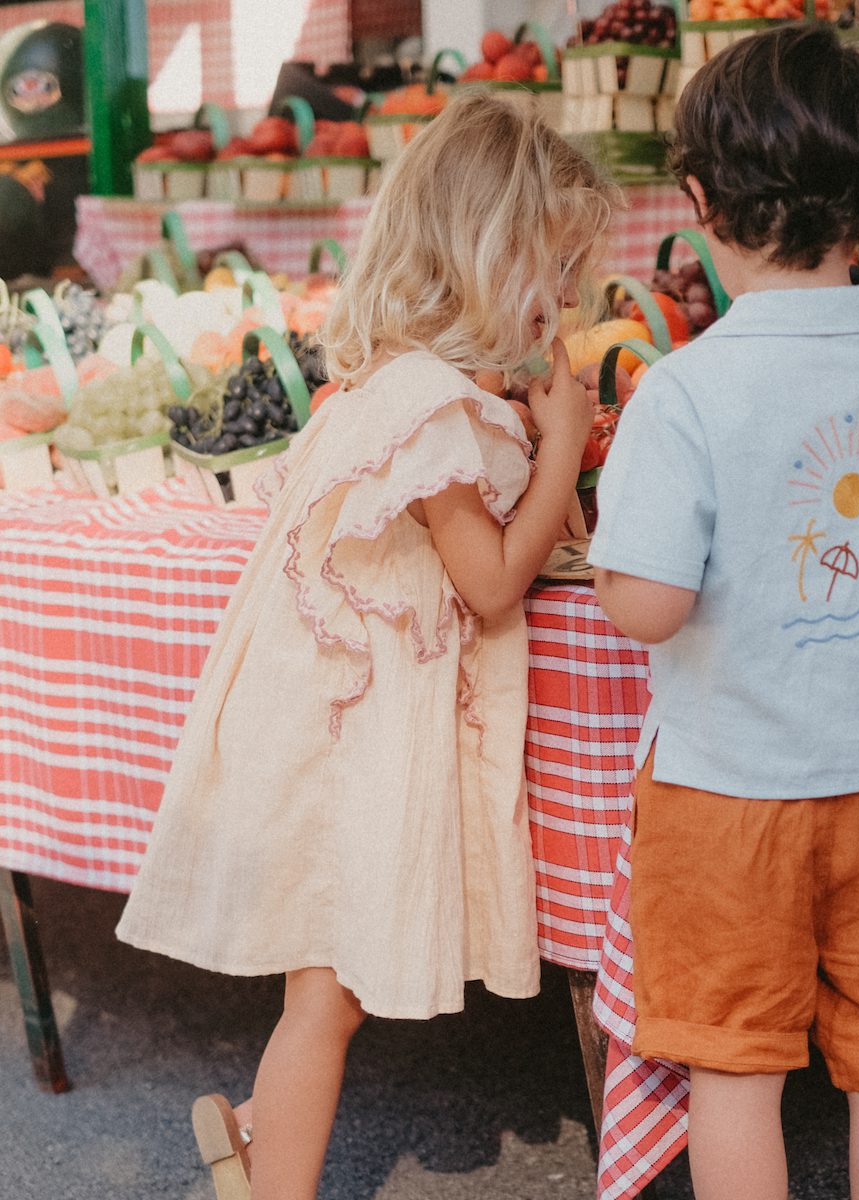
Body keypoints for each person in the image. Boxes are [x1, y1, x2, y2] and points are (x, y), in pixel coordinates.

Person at [116, 92, 616, 1200]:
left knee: (325, 989)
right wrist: (567, 443)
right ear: (489, 255)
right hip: (351, 738)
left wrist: (544, 449)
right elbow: (493, 587)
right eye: (558, 268)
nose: (571, 299)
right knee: (326, 997)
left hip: (342, 717)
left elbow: (547, 537)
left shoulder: (414, 386)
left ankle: (257, 1131)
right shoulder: (433, 407)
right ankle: (266, 1174)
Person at [588, 24, 859, 1200]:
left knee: (735, 1072)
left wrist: (610, 566)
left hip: (726, 799)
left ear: (698, 198)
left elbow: (650, 606)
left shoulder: (685, 389)